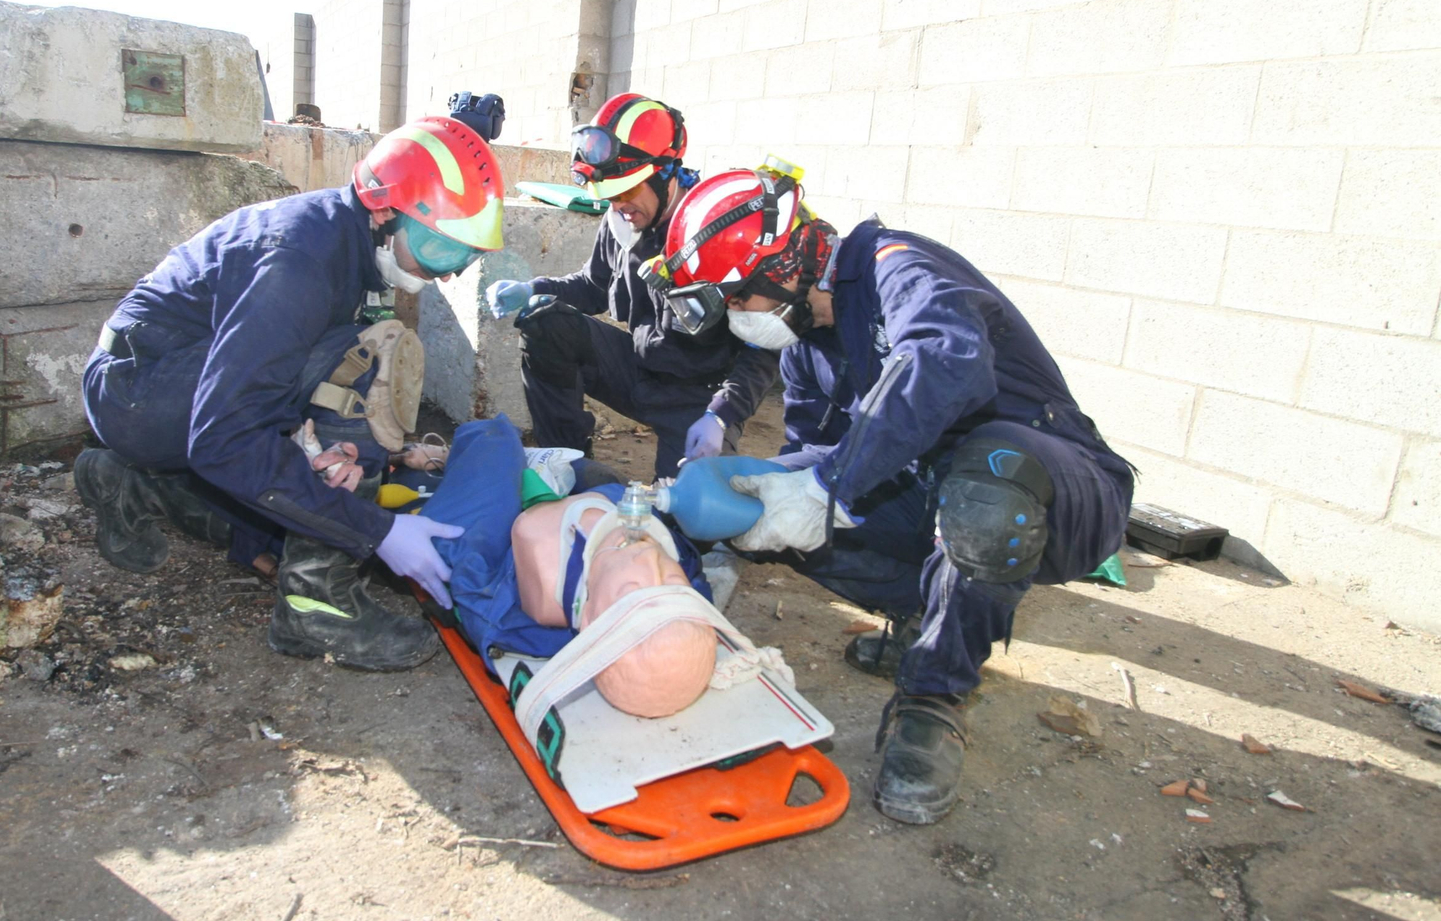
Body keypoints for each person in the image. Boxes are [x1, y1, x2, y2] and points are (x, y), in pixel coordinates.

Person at [649, 165, 1134, 825]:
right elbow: (810, 463)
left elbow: (947, 360)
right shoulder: (805, 349)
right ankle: (926, 621)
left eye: (737, 301)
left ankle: (933, 698)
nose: (736, 320)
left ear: (784, 269)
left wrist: (828, 483)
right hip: (935, 490)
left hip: (1055, 482)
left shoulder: (897, 267)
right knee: (774, 505)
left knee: (979, 494)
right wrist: (751, 504)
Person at [75, 116, 506, 672]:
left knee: (289, 510)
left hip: (162, 382)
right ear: (382, 209)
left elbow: (264, 373)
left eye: (463, 258)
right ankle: (317, 607)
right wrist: (378, 529)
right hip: (137, 393)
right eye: (440, 250)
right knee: (369, 361)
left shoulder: (346, 239)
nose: (447, 275)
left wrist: (313, 446)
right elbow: (223, 436)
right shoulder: (301, 263)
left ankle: (132, 487)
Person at [483, 93, 777, 478]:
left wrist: (722, 416)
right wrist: (532, 287)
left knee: (684, 517)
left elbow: (764, 350)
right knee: (544, 320)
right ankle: (565, 464)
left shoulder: (720, 233)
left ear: (663, 173)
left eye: (625, 192)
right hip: (638, 371)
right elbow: (592, 286)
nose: (617, 205)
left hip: (699, 397)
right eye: (609, 195)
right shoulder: (623, 220)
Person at [403, 414, 719, 717]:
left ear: (588, 616)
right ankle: (526, 461)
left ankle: (456, 459)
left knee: (494, 441)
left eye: (632, 589)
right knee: (602, 478)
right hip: (581, 517)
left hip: (494, 550)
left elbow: (528, 529)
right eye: (674, 583)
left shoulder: (528, 585)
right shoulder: (682, 585)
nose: (650, 559)